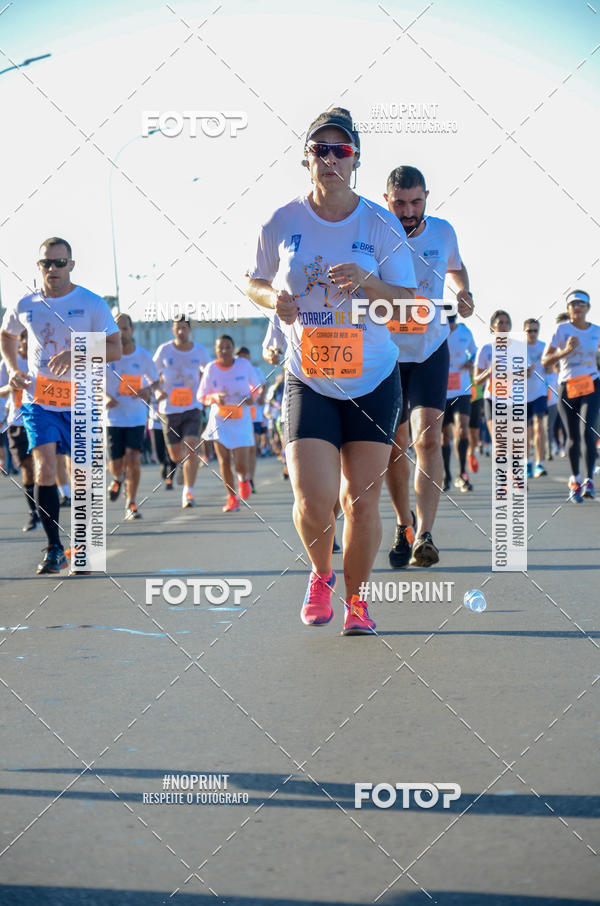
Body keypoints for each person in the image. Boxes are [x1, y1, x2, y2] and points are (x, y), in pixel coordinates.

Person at [245, 106, 416, 635]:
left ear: (356, 159)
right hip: (310, 375)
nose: (330, 159)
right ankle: (321, 575)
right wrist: (273, 298)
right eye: (320, 149)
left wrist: (369, 281)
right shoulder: (282, 221)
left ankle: (357, 599)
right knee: (313, 500)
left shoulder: (379, 222)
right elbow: (253, 281)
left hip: (372, 376)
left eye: (340, 150)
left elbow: (408, 300)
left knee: (359, 501)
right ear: (306, 159)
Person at [0, 237, 121, 574]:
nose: (52, 269)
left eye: (59, 263)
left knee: (82, 477)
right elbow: (6, 335)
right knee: (45, 469)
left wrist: (77, 352)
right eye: (45, 263)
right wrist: (13, 369)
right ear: (38, 266)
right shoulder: (26, 303)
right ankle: (54, 547)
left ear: (71, 264)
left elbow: (115, 349)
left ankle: (82, 547)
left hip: (82, 399)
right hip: (40, 401)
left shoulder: (92, 303)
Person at [383, 166, 474, 569]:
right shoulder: (374, 233)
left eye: (416, 202)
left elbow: (456, 268)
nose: (408, 211)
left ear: (426, 198)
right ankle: (405, 524)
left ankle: (425, 534)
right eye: (400, 203)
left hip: (430, 348)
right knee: (393, 447)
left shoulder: (443, 231)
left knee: (428, 440)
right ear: (387, 200)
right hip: (384, 354)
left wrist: (463, 291)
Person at [542, 290, 600, 501]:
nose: (577, 307)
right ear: (568, 309)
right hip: (568, 387)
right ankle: (575, 478)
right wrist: (565, 352)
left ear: (588, 308)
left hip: (591, 384)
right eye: (573, 304)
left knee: (587, 431)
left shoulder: (597, 331)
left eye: (582, 304)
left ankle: (589, 480)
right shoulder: (561, 329)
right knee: (573, 436)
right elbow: (545, 361)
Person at [105, 313, 160, 519]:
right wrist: (103, 398)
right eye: (116, 329)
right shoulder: (104, 354)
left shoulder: (143, 356)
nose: (121, 333)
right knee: (116, 465)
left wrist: (148, 391)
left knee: (134, 459)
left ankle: (131, 503)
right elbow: (92, 381)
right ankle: (117, 478)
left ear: (132, 330)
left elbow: (155, 381)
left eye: (125, 329)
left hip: (136, 416)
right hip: (112, 417)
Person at [153, 317, 209, 508]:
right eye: (177, 329)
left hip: (193, 407)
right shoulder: (164, 351)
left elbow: (208, 374)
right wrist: (158, 390)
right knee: (176, 455)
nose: (181, 332)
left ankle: (188, 492)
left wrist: (206, 391)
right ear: (173, 330)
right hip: (169, 409)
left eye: (184, 328)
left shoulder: (200, 351)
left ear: (190, 330)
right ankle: (180, 466)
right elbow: (151, 373)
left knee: (192, 445)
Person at [197, 335, 257, 512]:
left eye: (228, 347)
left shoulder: (243, 365)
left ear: (233, 348)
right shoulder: (210, 369)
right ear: (216, 350)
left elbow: (257, 386)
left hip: (241, 419)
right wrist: (214, 397)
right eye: (220, 347)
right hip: (220, 419)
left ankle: (243, 479)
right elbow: (201, 396)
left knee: (240, 463)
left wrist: (252, 397)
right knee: (223, 461)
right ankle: (232, 498)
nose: (224, 350)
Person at [0, 331, 40, 531]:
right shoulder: (7, 363)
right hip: (16, 423)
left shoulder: (42, 361)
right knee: (26, 467)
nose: (25, 342)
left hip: (40, 419)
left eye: (29, 338)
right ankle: (34, 512)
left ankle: (46, 504)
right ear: (18, 341)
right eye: (22, 338)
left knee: (41, 466)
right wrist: (11, 386)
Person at [441, 314, 477, 492]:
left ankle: (463, 473)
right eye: (448, 321)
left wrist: (470, 361)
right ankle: (446, 475)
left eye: (453, 321)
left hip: (462, 389)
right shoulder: (438, 330)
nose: (451, 325)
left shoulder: (465, 332)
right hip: (441, 390)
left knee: (462, 430)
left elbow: (475, 351)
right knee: (443, 436)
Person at [473, 310, 513, 442]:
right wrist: (489, 372)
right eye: (500, 323)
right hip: (492, 399)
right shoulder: (486, 349)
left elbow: (526, 374)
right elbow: (476, 380)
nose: (504, 326)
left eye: (507, 323)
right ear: (492, 327)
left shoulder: (517, 348)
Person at [235, 345, 265, 492]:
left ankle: (250, 478)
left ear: (249, 358)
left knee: (252, 447)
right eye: (239, 357)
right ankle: (242, 477)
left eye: (245, 357)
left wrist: (261, 398)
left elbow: (262, 387)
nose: (242, 360)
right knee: (240, 449)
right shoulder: (232, 372)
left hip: (254, 416)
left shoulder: (257, 371)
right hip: (237, 416)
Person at [523, 318, 549, 478]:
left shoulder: (544, 347)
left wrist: (553, 366)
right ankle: (527, 462)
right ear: (524, 331)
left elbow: (552, 368)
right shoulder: (518, 348)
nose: (532, 334)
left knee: (539, 426)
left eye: (535, 330)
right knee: (526, 431)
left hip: (540, 393)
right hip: (522, 395)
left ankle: (539, 463)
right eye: (529, 331)